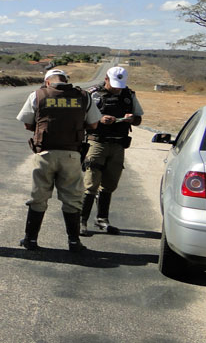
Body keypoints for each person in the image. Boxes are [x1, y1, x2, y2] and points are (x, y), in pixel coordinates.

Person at [15, 69, 101, 252]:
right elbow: (94, 124)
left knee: (38, 197)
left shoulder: (37, 95)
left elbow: (27, 124)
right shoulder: (84, 96)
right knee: (72, 198)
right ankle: (74, 242)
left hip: (44, 153)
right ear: (66, 80)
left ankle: (30, 240)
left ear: (47, 82)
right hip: (72, 154)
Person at [80, 66, 143, 235]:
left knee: (110, 184)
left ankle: (102, 220)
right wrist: (99, 120)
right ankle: (81, 221)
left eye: (120, 85)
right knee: (91, 183)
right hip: (97, 142)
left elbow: (139, 119)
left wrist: (132, 119)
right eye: (114, 84)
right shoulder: (92, 94)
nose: (117, 88)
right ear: (106, 79)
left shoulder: (129, 95)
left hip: (118, 144)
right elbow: (81, 119)